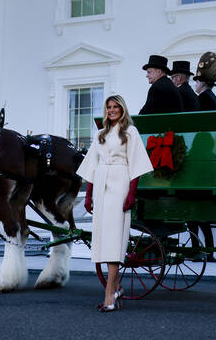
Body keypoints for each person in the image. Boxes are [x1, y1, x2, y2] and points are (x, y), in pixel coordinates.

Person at [76, 95, 153, 312]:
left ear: (122, 109)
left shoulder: (130, 132)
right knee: (102, 238)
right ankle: (117, 287)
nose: (111, 110)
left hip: (120, 184)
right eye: (109, 107)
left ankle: (109, 293)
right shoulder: (100, 134)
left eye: (115, 107)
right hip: (100, 185)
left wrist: (131, 194)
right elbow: (92, 165)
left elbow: (136, 165)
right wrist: (88, 195)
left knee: (114, 238)